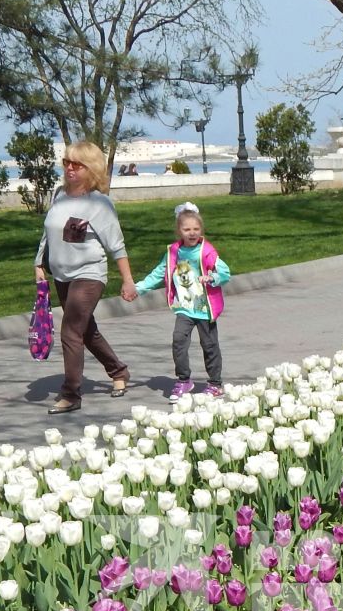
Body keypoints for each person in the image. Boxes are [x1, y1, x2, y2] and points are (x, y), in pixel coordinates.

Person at [34, 140, 138, 414]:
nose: (69, 168)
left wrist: (127, 280)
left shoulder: (99, 204)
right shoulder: (59, 195)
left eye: (76, 164)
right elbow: (49, 232)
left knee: (70, 329)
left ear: (90, 168)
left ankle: (71, 394)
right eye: (66, 162)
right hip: (62, 274)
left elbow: (117, 245)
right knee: (86, 331)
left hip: (89, 274)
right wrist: (38, 263)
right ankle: (119, 371)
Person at [136, 201, 231, 395]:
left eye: (196, 229)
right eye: (187, 229)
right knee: (178, 340)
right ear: (179, 231)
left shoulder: (207, 251)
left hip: (204, 308)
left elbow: (225, 272)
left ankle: (215, 383)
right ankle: (184, 379)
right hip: (185, 307)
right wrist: (138, 288)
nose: (192, 233)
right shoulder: (173, 252)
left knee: (210, 345)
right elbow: (158, 273)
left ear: (201, 230)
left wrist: (212, 278)